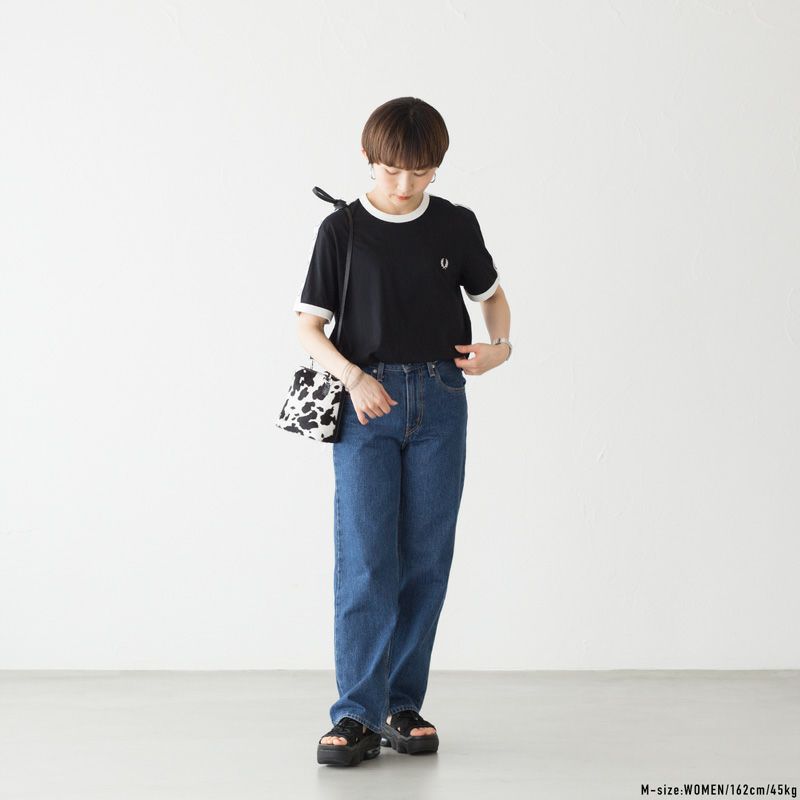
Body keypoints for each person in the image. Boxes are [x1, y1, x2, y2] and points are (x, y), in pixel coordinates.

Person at [292, 97, 513, 767]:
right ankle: (354, 714)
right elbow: (307, 327)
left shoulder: (455, 225)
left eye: (420, 171)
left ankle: (401, 706)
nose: (404, 184)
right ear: (368, 159)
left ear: (436, 166)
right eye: (390, 170)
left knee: (425, 558)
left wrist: (500, 346)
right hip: (367, 404)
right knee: (366, 560)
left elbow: (492, 297)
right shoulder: (342, 230)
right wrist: (355, 378)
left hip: (442, 401)